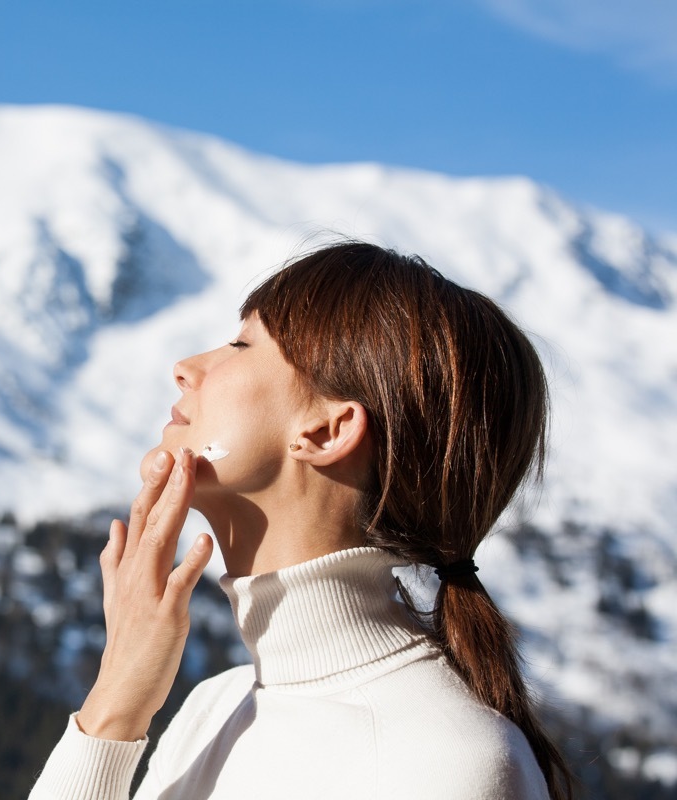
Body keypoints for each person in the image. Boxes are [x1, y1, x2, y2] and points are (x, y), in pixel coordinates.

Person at [29, 242, 573, 799]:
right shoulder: (211, 709)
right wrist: (114, 704)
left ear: (327, 431)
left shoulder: (445, 765)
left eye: (241, 345)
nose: (186, 369)